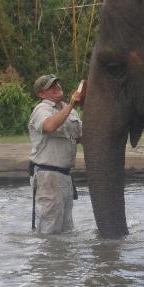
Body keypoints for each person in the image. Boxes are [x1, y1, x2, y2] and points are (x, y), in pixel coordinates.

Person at [28, 75, 83, 235]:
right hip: (48, 176)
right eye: (51, 86)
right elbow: (50, 126)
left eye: (57, 83)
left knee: (66, 229)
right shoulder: (41, 109)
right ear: (41, 93)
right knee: (49, 228)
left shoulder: (69, 111)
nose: (57, 86)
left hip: (65, 176)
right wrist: (72, 104)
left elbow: (81, 137)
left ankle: (62, 261)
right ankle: (48, 259)